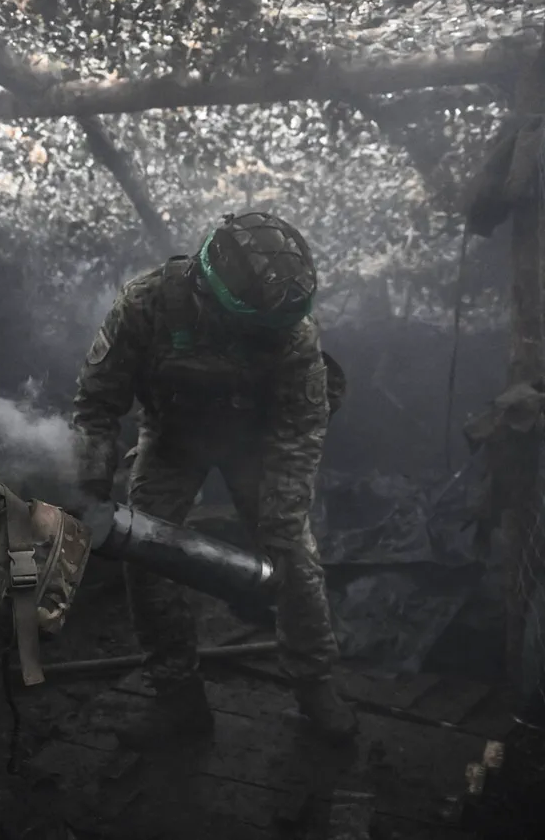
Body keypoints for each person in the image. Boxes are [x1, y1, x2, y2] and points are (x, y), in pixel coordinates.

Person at [72, 211, 358, 747]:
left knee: (294, 558)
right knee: (144, 554)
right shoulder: (146, 304)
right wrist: (92, 487)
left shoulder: (293, 331)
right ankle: (177, 695)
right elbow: (96, 404)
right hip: (173, 438)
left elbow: (300, 429)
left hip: (258, 442)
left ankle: (315, 684)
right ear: (210, 291)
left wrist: (282, 519)